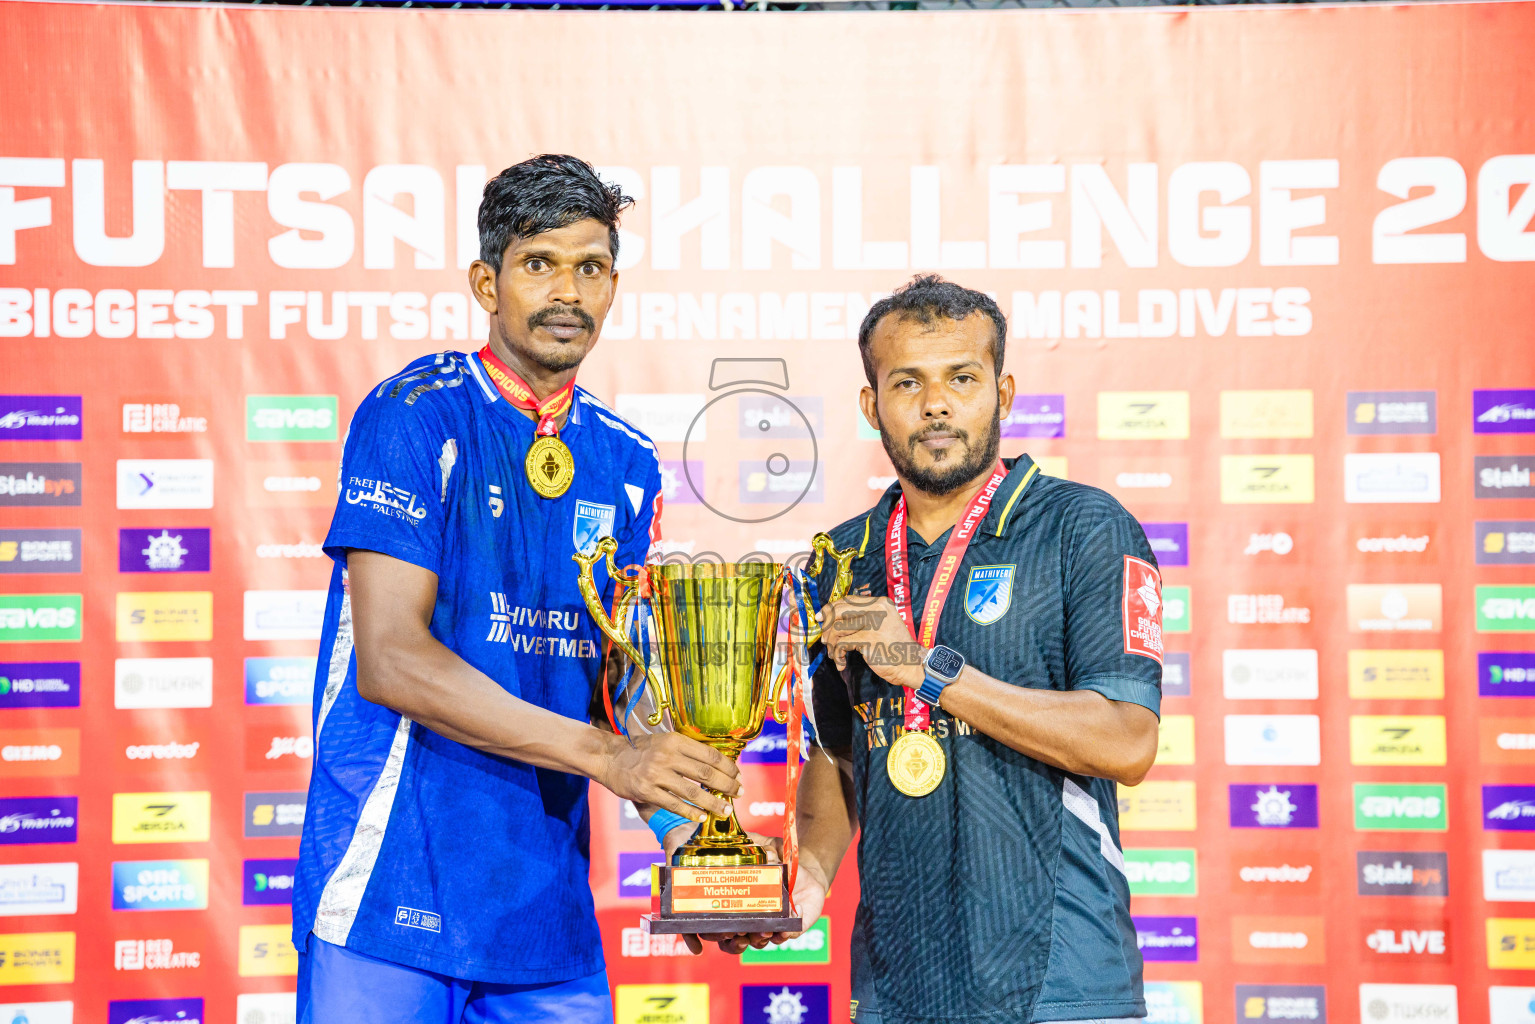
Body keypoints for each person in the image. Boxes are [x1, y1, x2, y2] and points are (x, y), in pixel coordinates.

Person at [291, 154, 739, 1024]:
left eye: (591, 268)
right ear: (486, 284)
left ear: (613, 287)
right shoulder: (414, 414)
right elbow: (391, 658)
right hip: (387, 892)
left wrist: (688, 830)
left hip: (541, 912)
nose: (568, 292)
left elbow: (619, 680)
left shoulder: (627, 458)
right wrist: (609, 759)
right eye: (539, 263)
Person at [732, 275, 1165, 1024]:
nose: (936, 404)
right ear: (872, 406)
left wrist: (926, 670)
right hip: (894, 987)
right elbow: (840, 755)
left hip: (1058, 985)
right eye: (907, 382)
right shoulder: (841, 558)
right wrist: (810, 878)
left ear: (1003, 394)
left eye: (961, 379)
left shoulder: (1083, 528)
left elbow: (1127, 742)